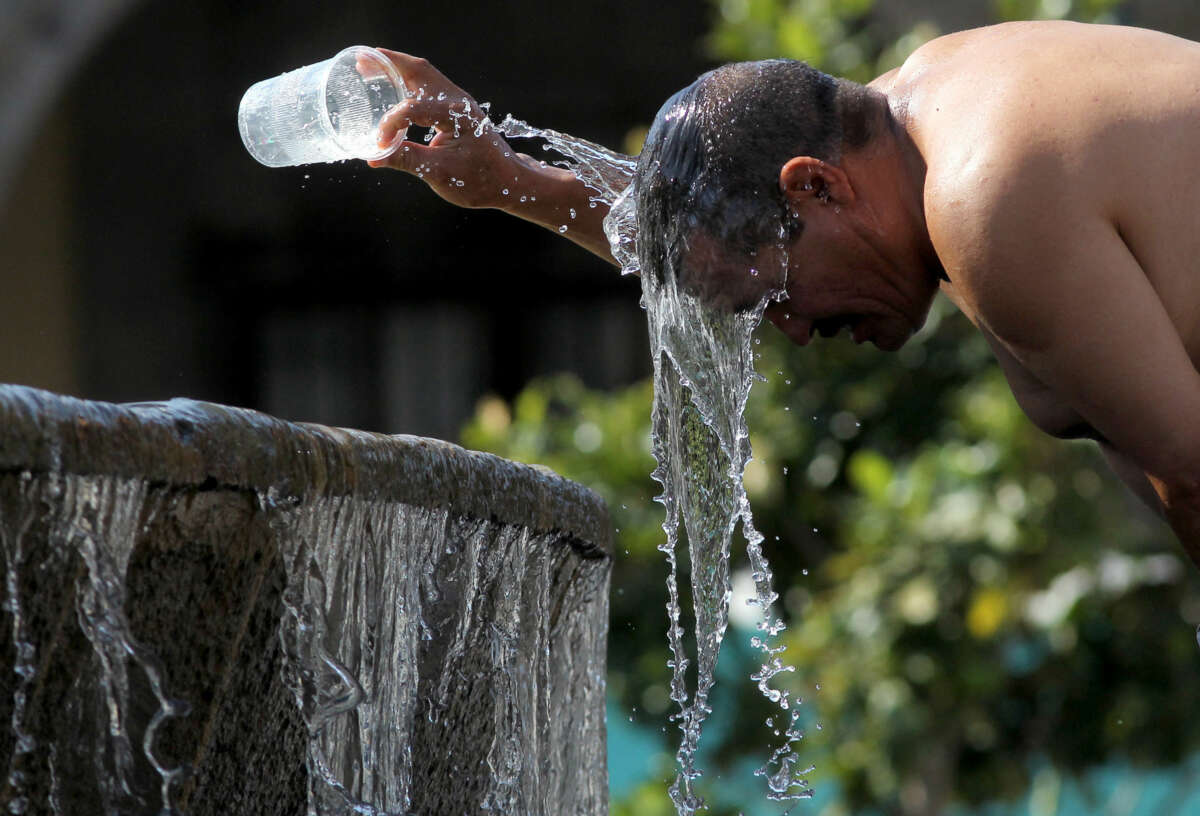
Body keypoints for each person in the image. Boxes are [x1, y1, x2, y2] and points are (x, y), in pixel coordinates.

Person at [365, 21, 1200, 565]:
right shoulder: (921, 112)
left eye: (775, 299)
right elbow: (721, 230)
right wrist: (510, 179)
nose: (794, 331)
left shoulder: (985, 200)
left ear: (818, 189)